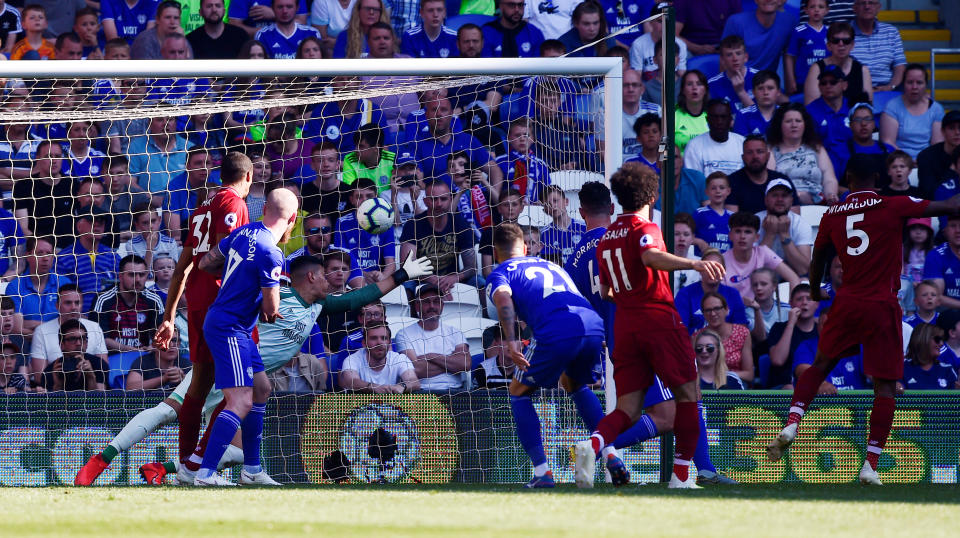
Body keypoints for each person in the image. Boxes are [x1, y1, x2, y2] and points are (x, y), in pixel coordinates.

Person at [78, 252, 431, 485]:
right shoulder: (276, 295)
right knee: (168, 411)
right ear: (309, 278)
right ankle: (101, 460)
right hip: (224, 362)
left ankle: (169, 468)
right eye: (325, 276)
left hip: (250, 375)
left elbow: (361, 297)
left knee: (243, 450)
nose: (332, 282)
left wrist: (401, 274)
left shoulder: (320, 306)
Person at [766, 154, 960, 485]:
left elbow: (818, 259)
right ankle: (870, 465)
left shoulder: (832, 213)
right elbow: (947, 206)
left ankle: (792, 422)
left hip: (847, 302)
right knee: (884, 387)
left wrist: (815, 290)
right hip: (882, 304)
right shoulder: (892, 204)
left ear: (849, 179)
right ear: (878, 176)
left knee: (821, 364)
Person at [573, 162, 726, 489]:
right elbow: (651, 256)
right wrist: (696, 263)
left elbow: (605, 292)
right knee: (688, 394)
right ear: (652, 195)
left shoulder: (605, 240)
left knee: (627, 407)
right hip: (657, 319)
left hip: (624, 327)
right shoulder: (644, 227)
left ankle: (595, 445)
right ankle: (682, 476)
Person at [150, 152, 253, 485]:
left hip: (196, 303)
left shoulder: (201, 208)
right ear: (248, 177)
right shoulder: (234, 205)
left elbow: (183, 266)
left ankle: (185, 466)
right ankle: (199, 465)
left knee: (200, 386)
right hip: (222, 304)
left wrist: (168, 316)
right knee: (239, 392)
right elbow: (226, 254)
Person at [188, 188, 298, 487]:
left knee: (261, 388)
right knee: (240, 400)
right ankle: (205, 474)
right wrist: (268, 308)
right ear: (294, 219)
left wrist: (237, 280)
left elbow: (205, 263)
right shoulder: (272, 252)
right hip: (230, 327)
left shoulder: (244, 232)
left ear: (264, 210)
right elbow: (271, 308)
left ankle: (251, 469)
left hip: (230, 322)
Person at [485, 222, 607, 488]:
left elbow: (504, 300)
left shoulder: (501, 271)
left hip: (557, 327)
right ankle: (612, 455)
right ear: (526, 248)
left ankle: (542, 472)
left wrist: (513, 341)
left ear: (496, 252)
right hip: (593, 325)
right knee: (574, 384)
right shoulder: (552, 265)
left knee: (518, 392)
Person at [399, 178, 480, 292]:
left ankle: (484, 310)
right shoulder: (413, 224)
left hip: (452, 280)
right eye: (434, 199)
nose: (439, 204)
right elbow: (407, 264)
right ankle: (412, 310)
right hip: (420, 280)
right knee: (407, 285)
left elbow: (471, 268)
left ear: (450, 200)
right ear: (426, 201)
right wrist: (433, 280)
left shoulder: (461, 224)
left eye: (443, 199)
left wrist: (454, 278)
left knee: (479, 282)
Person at [396, 284, 471, 391]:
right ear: (417, 306)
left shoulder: (455, 332)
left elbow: (465, 363)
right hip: (421, 393)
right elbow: (415, 369)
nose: (432, 306)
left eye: (436, 301)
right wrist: (451, 364)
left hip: (455, 390)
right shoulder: (404, 334)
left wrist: (432, 356)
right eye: (427, 302)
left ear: (442, 305)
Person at [768, 103, 840, 205]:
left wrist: (830, 194)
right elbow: (770, 182)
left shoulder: (816, 148)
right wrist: (797, 196)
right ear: (779, 125)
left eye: (798, 121)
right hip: (785, 205)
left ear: (805, 124)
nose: (794, 125)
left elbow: (829, 178)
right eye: (788, 121)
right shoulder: (771, 149)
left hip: (818, 204)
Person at [92, 255, 164, 353]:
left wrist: (153, 346)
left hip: (144, 357)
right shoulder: (103, 299)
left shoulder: (154, 300)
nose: (138, 279)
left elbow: (163, 333)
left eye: (141, 275)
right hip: (111, 357)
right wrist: (127, 349)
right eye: (132, 275)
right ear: (120, 276)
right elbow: (98, 337)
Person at [335, 178, 398, 288]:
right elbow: (341, 262)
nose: (364, 200)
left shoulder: (385, 223)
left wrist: (382, 276)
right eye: (359, 197)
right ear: (352, 200)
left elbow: (391, 264)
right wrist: (363, 274)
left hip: (377, 280)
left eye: (369, 196)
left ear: (376, 197)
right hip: (350, 280)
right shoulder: (342, 223)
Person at [723, 211, 800, 302]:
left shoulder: (763, 252)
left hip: (760, 311)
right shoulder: (721, 260)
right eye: (738, 231)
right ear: (730, 236)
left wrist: (791, 307)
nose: (742, 236)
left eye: (748, 232)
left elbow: (794, 278)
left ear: (756, 237)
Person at [54, 209, 120, 313]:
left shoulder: (113, 256)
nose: (97, 225)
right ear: (79, 226)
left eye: (101, 222)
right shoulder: (63, 258)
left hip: (110, 318)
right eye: (92, 221)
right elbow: (60, 296)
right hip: (78, 320)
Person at [6, 236, 71, 334]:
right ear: (27, 255)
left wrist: (29, 323)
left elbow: (70, 323)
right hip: (26, 346)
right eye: (39, 253)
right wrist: (53, 326)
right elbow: (16, 328)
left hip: (60, 345)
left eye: (49, 254)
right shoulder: (15, 287)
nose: (45, 258)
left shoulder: (65, 284)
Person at [791, 308, 867, 392]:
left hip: (858, 402)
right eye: (826, 325)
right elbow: (803, 371)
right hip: (822, 403)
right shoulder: (806, 346)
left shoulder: (858, 347)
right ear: (818, 327)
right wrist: (820, 384)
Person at [675, 248, 747, 334]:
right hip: (694, 344)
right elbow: (680, 331)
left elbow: (741, 331)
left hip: (726, 345)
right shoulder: (685, 295)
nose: (712, 271)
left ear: (724, 271)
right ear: (699, 271)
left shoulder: (733, 294)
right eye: (708, 267)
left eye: (717, 267)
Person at [880, 64, 945, 160]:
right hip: (898, 162)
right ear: (903, 84)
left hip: (927, 161)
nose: (914, 87)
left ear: (925, 85)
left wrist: (923, 162)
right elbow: (888, 142)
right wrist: (908, 162)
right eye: (910, 82)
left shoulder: (936, 109)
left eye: (919, 82)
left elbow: (937, 145)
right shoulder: (892, 107)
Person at [803, 21, 871, 106]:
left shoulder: (863, 70)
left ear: (852, 45)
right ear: (828, 45)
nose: (841, 44)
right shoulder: (817, 69)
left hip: (854, 118)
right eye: (836, 41)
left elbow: (867, 109)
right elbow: (811, 108)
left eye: (846, 41)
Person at [340, 323, 421, 393]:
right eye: (374, 338)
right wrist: (372, 387)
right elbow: (351, 381)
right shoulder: (352, 360)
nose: (379, 342)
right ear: (364, 343)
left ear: (389, 343)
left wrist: (402, 386)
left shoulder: (399, 359)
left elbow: (414, 381)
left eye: (384, 338)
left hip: (392, 408)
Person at [721, 0, 797, 73]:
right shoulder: (736, 22)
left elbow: (789, 56)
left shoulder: (789, 21)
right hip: (740, 79)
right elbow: (724, 59)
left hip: (767, 82)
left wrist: (791, 86)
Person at [756, 179, 814, 276]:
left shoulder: (800, 223)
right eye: (775, 195)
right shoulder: (755, 221)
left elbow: (803, 269)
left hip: (792, 279)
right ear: (766, 200)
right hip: (761, 280)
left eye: (784, 196)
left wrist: (784, 235)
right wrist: (769, 234)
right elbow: (754, 267)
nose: (780, 200)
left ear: (791, 201)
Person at [696, 292, 753, 383]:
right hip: (706, 384)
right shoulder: (697, 337)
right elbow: (693, 370)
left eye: (717, 308)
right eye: (708, 310)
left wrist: (725, 375)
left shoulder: (742, 333)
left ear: (726, 310)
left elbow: (749, 374)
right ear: (703, 314)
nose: (713, 314)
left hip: (735, 384)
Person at [851, 0, 905, 92]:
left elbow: (899, 66)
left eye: (871, 3)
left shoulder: (891, 31)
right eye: (862, 3)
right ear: (855, 8)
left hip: (887, 89)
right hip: (855, 91)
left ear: (878, 7)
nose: (867, 7)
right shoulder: (845, 33)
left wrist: (891, 87)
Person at [41, 319, 108, 391]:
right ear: (61, 345)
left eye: (83, 338)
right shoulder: (51, 371)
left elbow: (99, 400)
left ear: (87, 343)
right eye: (72, 339)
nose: (79, 343)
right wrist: (58, 385)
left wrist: (91, 377)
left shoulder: (99, 364)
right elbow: (53, 402)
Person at [683, 99, 745, 177]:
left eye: (723, 117)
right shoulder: (694, 146)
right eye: (715, 117)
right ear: (707, 120)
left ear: (730, 120)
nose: (719, 122)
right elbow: (694, 183)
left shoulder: (742, 143)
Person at [785, 0, 829, 96]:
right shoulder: (799, 31)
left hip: (827, 82)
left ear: (827, 10)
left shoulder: (830, 32)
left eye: (821, 7)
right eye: (812, 7)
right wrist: (791, 80)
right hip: (803, 81)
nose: (816, 10)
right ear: (806, 10)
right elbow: (790, 56)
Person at [253, 0, 322, 59]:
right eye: (280, 7)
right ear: (272, 8)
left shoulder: (312, 33)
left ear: (297, 8)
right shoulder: (262, 35)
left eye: (289, 7)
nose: (285, 11)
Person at [125, 329, 190, 390]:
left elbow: (198, 391)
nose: (171, 345)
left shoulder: (186, 364)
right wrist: (164, 379)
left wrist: (183, 379)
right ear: (154, 345)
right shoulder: (142, 362)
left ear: (179, 343)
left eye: (174, 340)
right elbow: (130, 388)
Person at [901, 323, 959, 390]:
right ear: (923, 339)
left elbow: (954, 399)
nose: (941, 344)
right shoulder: (903, 369)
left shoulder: (947, 370)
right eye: (937, 339)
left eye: (942, 340)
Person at [708, 36, 758, 113]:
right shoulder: (712, 84)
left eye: (738, 53)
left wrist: (741, 92)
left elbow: (762, 119)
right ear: (722, 60)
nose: (735, 58)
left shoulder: (760, 78)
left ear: (746, 57)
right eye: (729, 55)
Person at [917, 111, 960, 200]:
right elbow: (928, 193)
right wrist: (951, 170)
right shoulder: (926, 157)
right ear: (943, 131)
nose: (957, 132)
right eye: (951, 128)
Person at [733, 71, 781, 138]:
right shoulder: (743, 115)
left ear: (778, 92)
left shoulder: (785, 114)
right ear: (753, 92)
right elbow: (739, 145)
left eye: (770, 88)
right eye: (760, 88)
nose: (765, 92)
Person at [693, 172, 733, 252]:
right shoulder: (699, 213)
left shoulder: (733, 217)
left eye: (722, 188)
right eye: (713, 188)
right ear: (706, 192)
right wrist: (699, 242)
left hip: (727, 262)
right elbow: (687, 237)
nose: (718, 191)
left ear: (728, 191)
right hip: (704, 261)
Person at [674, 70, 709, 154]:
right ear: (683, 90)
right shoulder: (673, 115)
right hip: (680, 165)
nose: (694, 88)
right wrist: (662, 160)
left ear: (705, 90)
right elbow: (663, 142)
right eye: (689, 84)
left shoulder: (713, 115)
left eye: (699, 84)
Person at [903, 219, 934, 285]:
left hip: (927, 288)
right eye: (914, 229)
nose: (918, 232)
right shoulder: (903, 250)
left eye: (922, 229)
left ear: (928, 232)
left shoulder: (934, 251)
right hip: (907, 288)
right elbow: (900, 272)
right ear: (908, 232)